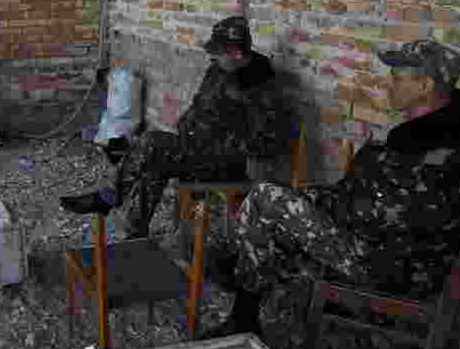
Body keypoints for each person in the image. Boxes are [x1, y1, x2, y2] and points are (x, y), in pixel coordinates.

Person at [201, 39, 460, 339]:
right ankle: (241, 287)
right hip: (376, 243)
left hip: (388, 265)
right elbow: (365, 198)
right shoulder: (425, 138)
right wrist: (319, 200)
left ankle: (236, 273)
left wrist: (325, 210)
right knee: (282, 205)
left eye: (397, 78)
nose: (389, 85)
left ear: (425, 86)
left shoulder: (446, 155)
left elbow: (387, 217)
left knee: (268, 198)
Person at [61, 15, 296, 239]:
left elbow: (268, 142)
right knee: (152, 165)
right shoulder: (219, 69)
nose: (212, 57)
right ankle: (134, 235)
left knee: (151, 142)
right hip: (193, 150)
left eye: (218, 52)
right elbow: (198, 103)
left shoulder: (261, 85)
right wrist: (186, 125)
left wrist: (220, 143)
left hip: (223, 163)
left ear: (235, 53)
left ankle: (109, 197)